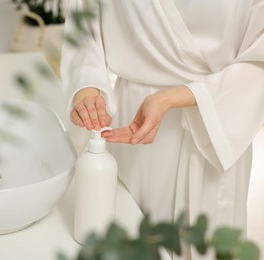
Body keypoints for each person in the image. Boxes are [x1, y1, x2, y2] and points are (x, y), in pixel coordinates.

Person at [60, 0, 264, 259]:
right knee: (132, 232)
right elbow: (84, 25)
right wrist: (86, 85)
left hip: (214, 118)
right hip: (133, 123)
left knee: (208, 242)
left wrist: (179, 97)